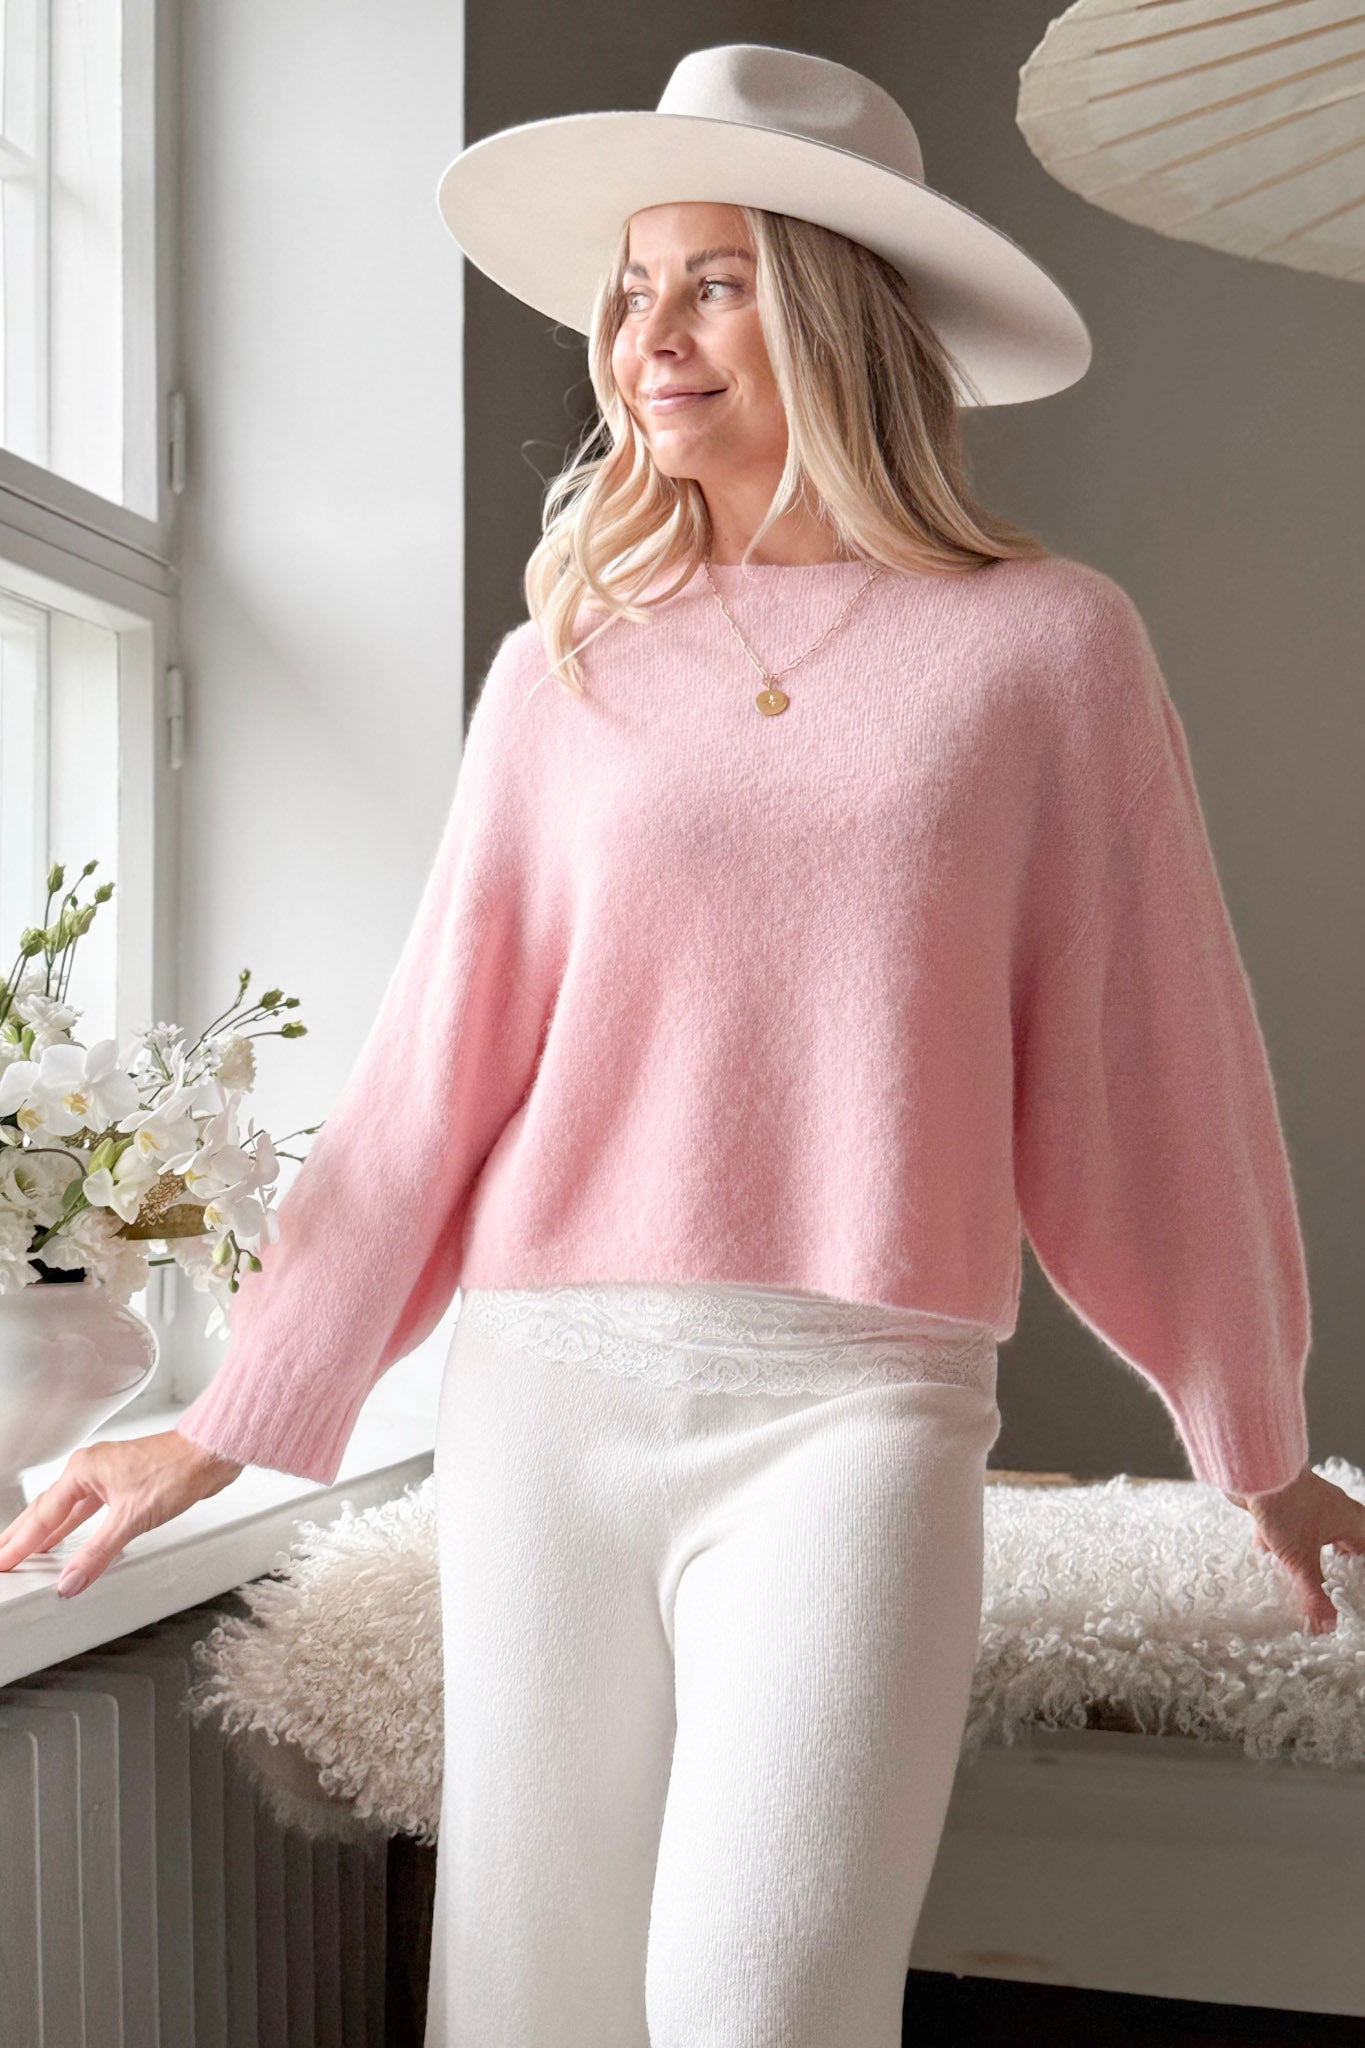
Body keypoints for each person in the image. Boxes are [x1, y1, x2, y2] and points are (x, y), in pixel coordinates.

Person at [2, 40, 1362, 2048]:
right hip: (548, 1397)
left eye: (713, 283)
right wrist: (216, 1426)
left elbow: (1151, 1064)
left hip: (858, 1404)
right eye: (630, 289)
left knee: (763, 2004)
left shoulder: (1046, 643)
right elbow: (435, 1075)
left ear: (834, 311)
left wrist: (1251, 1439)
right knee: (530, 1999)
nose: (647, 338)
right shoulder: (564, 663)